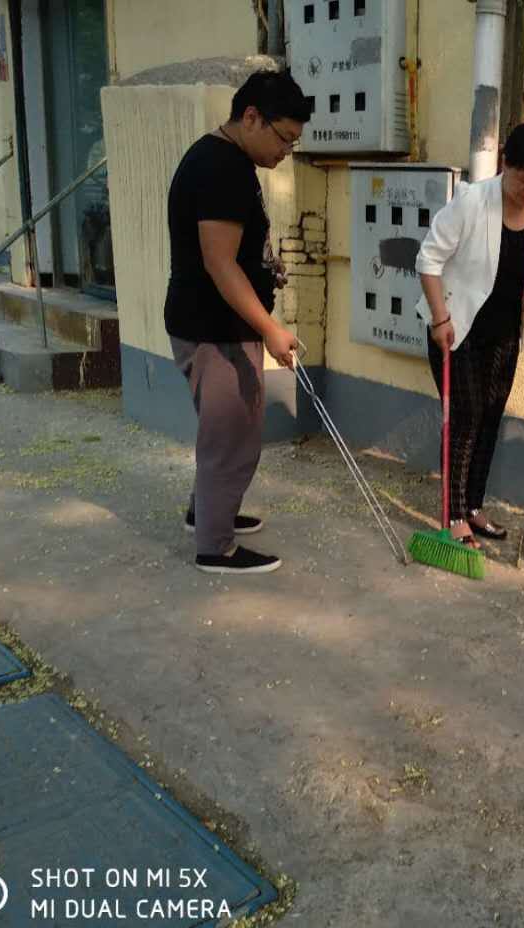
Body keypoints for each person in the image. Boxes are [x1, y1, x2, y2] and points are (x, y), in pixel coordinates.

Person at [164, 69, 309, 574]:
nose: (286, 151)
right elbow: (219, 262)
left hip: (211, 323)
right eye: (284, 138)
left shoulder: (224, 159)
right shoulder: (222, 168)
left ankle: (206, 512)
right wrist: (270, 328)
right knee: (232, 439)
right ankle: (215, 547)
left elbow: (231, 255)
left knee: (224, 432)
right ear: (251, 117)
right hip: (216, 329)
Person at [416, 122, 524, 547]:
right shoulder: (471, 202)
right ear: (505, 164)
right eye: (523, 178)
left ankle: (473, 508)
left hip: (504, 335)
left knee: (489, 419)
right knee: (465, 418)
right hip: (456, 328)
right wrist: (440, 319)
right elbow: (428, 260)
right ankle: (453, 515)